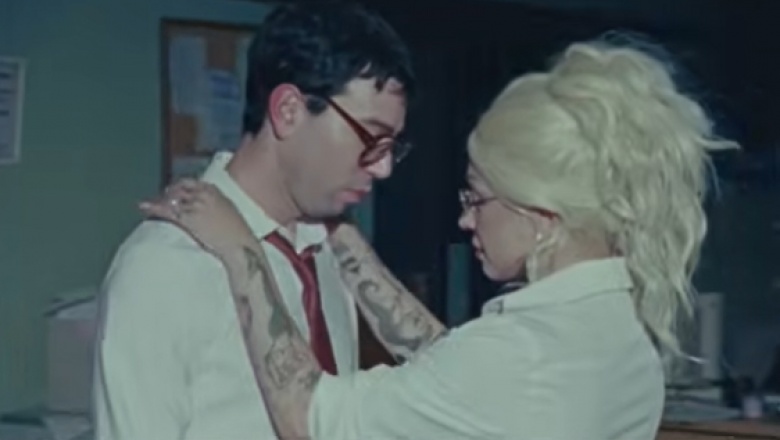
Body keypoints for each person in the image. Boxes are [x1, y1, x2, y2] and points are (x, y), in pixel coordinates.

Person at [142, 40, 738, 439]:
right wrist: (349, 246)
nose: (466, 220)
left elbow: (312, 418)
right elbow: (452, 368)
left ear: (541, 217)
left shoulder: (517, 357)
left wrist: (240, 249)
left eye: (477, 198)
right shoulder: (618, 335)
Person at [92, 3, 441, 440]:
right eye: (370, 137)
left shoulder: (330, 252)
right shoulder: (166, 265)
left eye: (391, 146)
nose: (383, 167)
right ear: (289, 110)